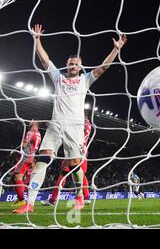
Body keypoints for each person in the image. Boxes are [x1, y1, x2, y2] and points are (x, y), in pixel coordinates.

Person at [14, 23, 126, 213]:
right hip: (55, 125)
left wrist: (115, 50)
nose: (73, 66)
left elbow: (103, 68)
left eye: (76, 64)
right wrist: (37, 39)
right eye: (70, 63)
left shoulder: (85, 80)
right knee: (42, 161)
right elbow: (44, 60)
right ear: (66, 65)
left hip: (74, 127)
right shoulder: (58, 78)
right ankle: (30, 203)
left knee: (74, 164)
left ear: (80, 66)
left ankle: (80, 197)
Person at [41, 117, 92, 206]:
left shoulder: (79, 122)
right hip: (83, 151)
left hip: (74, 150)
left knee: (63, 175)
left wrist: (53, 125)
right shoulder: (87, 124)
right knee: (81, 175)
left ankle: (53, 200)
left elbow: (67, 130)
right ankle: (86, 197)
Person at [11, 121, 41, 208]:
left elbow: (24, 145)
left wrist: (14, 151)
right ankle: (21, 197)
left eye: (32, 121)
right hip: (31, 157)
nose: (29, 122)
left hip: (25, 157)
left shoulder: (31, 132)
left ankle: (21, 199)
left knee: (18, 177)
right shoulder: (38, 133)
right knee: (16, 176)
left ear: (35, 124)